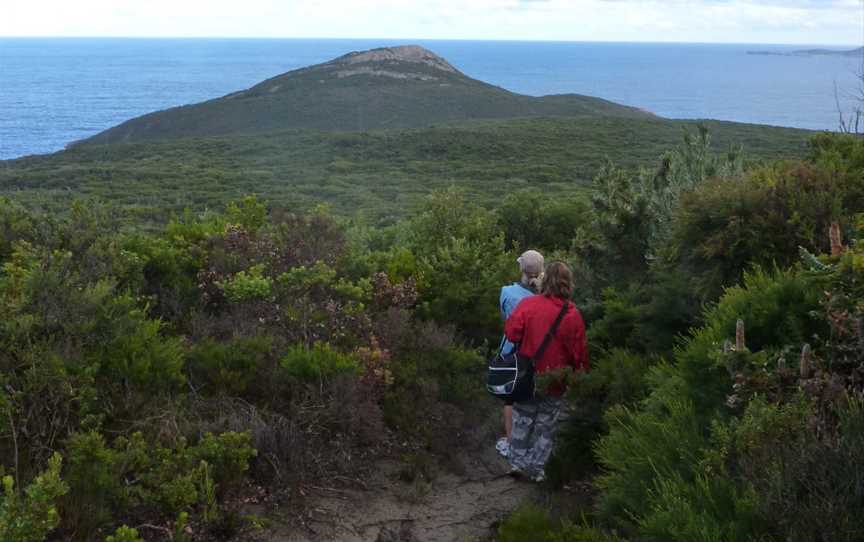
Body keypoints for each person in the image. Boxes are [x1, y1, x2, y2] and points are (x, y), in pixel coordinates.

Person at [503, 261, 589, 482]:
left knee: (522, 420)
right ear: (568, 283)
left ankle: (517, 463)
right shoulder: (573, 315)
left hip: (528, 376)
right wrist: (580, 376)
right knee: (546, 426)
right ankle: (536, 468)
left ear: (544, 280)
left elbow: (512, 334)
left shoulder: (528, 305)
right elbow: (578, 352)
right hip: (555, 380)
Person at [495, 249, 544, 459]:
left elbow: (506, 317)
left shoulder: (507, 292)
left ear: (521, 268)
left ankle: (511, 441)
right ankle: (535, 443)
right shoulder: (547, 298)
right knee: (535, 397)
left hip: (512, 353)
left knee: (510, 399)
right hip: (538, 353)